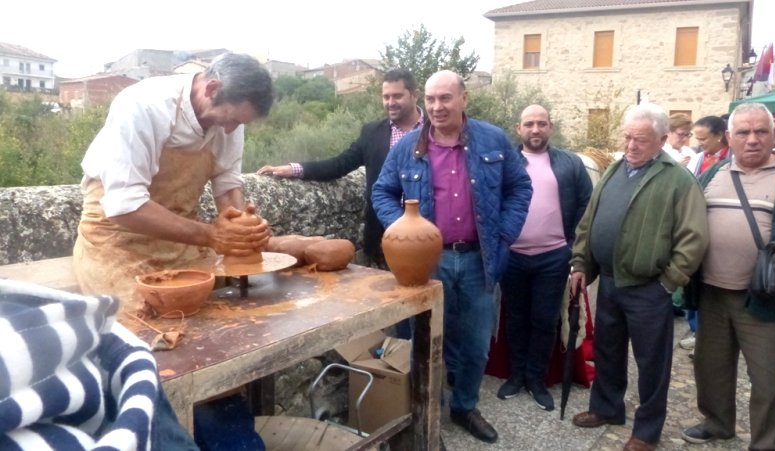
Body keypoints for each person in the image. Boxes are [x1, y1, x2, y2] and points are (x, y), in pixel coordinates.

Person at [72, 52, 275, 450]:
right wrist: (213, 237)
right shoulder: (142, 106)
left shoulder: (231, 117)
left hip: (183, 244)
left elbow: (227, 183)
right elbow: (125, 205)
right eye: (231, 118)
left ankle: (232, 440)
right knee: (156, 352)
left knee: (215, 346)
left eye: (240, 123)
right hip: (117, 244)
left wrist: (241, 224)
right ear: (211, 88)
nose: (233, 128)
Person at [372, 70, 532, 444]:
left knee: (476, 343)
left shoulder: (493, 139)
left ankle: (464, 407)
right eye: (430, 100)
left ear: (464, 100)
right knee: (425, 342)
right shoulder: (409, 147)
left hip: (480, 259)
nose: (436, 107)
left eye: (445, 98)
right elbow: (382, 191)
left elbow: (520, 187)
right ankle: (426, 414)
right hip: (428, 263)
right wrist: (404, 230)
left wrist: (505, 233)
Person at [569, 103, 709, 451]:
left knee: (652, 364)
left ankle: (647, 431)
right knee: (608, 351)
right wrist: (581, 263)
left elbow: (694, 237)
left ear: (662, 140)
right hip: (612, 282)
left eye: (641, 140)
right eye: (628, 137)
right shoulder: (616, 170)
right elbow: (589, 221)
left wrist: (669, 281)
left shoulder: (677, 179)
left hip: (649, 288)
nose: (631, 145)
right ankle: (606, 408)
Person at [681, 103, 775, 450]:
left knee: (769, 379)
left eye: (761, 131)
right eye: (743, 133)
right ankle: (717, 423)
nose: (752, 140)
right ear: (729, 138)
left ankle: (770, 443)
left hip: (771, 297)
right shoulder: (712, 173)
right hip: (713, 292)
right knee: (711, 367)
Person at [256, 68, 423, 269]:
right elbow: (340, 164)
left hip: (428, 234)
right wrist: (294, 169)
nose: (390, 102)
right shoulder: (372, 133)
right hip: (384, 238)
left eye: (397, 96)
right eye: (386, 96)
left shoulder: (435, 129)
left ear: (415, 95)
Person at [496, 105, 592, 411]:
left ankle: (536, 379)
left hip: (553, 256)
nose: (535, 129)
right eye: (529, 124)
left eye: (541, 123)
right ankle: (516, 375)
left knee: (545, 320)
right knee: (516, 318)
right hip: (513, 255)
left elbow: (586, 207)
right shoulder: (504, 162)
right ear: (518, 128)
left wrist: (573, 248)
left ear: (550, 127)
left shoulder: (570, 163)